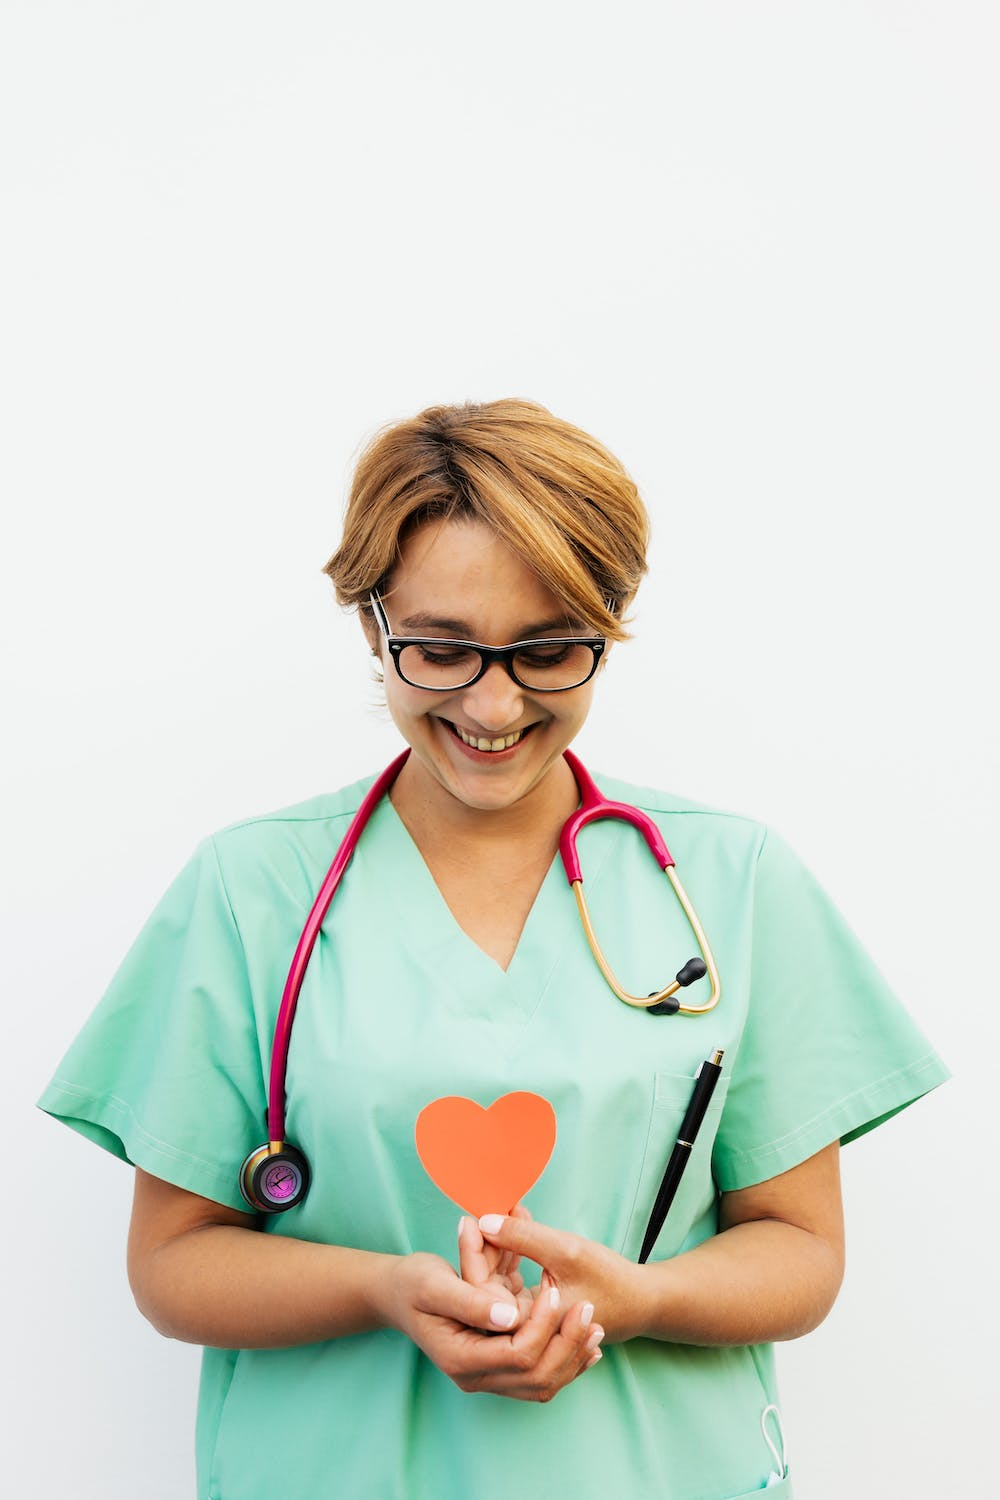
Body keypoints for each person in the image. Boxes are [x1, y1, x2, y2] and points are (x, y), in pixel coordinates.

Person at [39, 398, 948, 1500]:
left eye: (548, 649)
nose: (494, 700)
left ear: (606, 632)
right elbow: (174, 1264)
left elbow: (801, 1252)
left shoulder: (733, 882)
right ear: (372, 627)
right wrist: (385, 1290)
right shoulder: (249, 892)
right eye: (440, 648)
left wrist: (639, 1298)